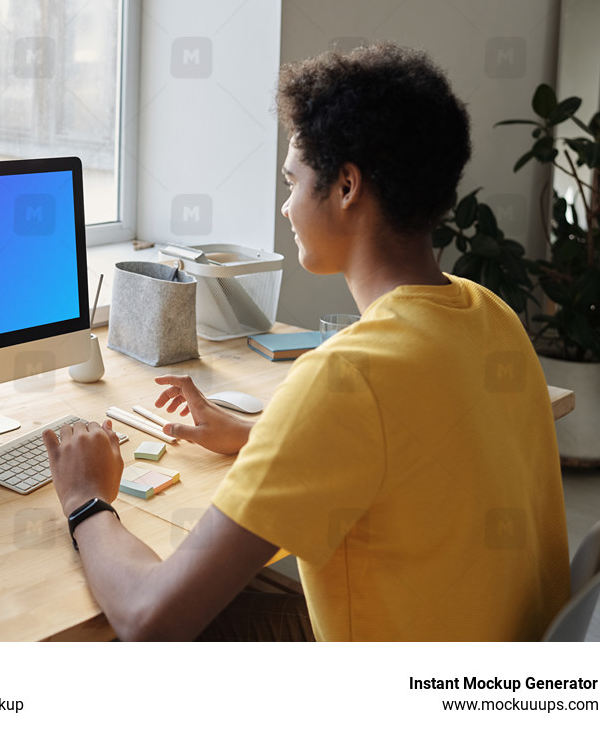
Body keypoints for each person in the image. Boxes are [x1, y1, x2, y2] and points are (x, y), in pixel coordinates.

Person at [43, 43, 570, 641]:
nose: (286, 206)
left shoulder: (348, 376)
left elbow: (149, 620)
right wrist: (258, 437)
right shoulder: (488, 314)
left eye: (292, 182)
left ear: (346, 186)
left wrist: (86, 499)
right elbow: (411, 448)